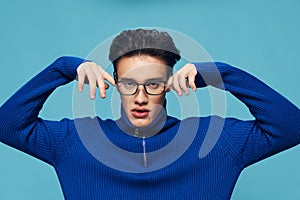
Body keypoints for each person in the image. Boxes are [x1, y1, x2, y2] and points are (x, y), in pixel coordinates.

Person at [0, 28, 299, 200]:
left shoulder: (216, 141)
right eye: (129, 84)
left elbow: (291, 127)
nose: (140, 97)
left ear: (169, 85)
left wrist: (220, 73)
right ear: (115, 83)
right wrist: (62, 68)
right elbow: (7, 125)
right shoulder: (76, 141)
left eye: (153, 84)